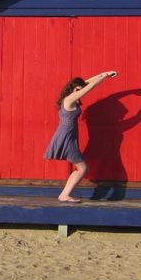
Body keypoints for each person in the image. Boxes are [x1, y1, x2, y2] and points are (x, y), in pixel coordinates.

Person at [43, 71, 117, 203]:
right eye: (77, 89)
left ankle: (64, 195)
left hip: (69, 135)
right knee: (83, 168)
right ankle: (64, 195)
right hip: (66, 136)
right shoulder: (69, 99)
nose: (79, 91)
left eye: (80, 89)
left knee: (81, 168)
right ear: (72, 89)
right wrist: (104, 77)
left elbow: (87, 84)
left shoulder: (71, 97)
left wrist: (103, 73)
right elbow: (90, 87)